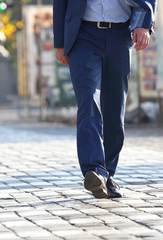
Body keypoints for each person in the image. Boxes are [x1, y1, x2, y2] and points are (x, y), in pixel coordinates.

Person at [53, 0, 156, 198]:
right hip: (82, 35)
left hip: (121, 34)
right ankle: (95, 170)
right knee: (88, 101)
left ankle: (107, 173)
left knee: (114, 110)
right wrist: (60, 42)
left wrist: (144, 23)